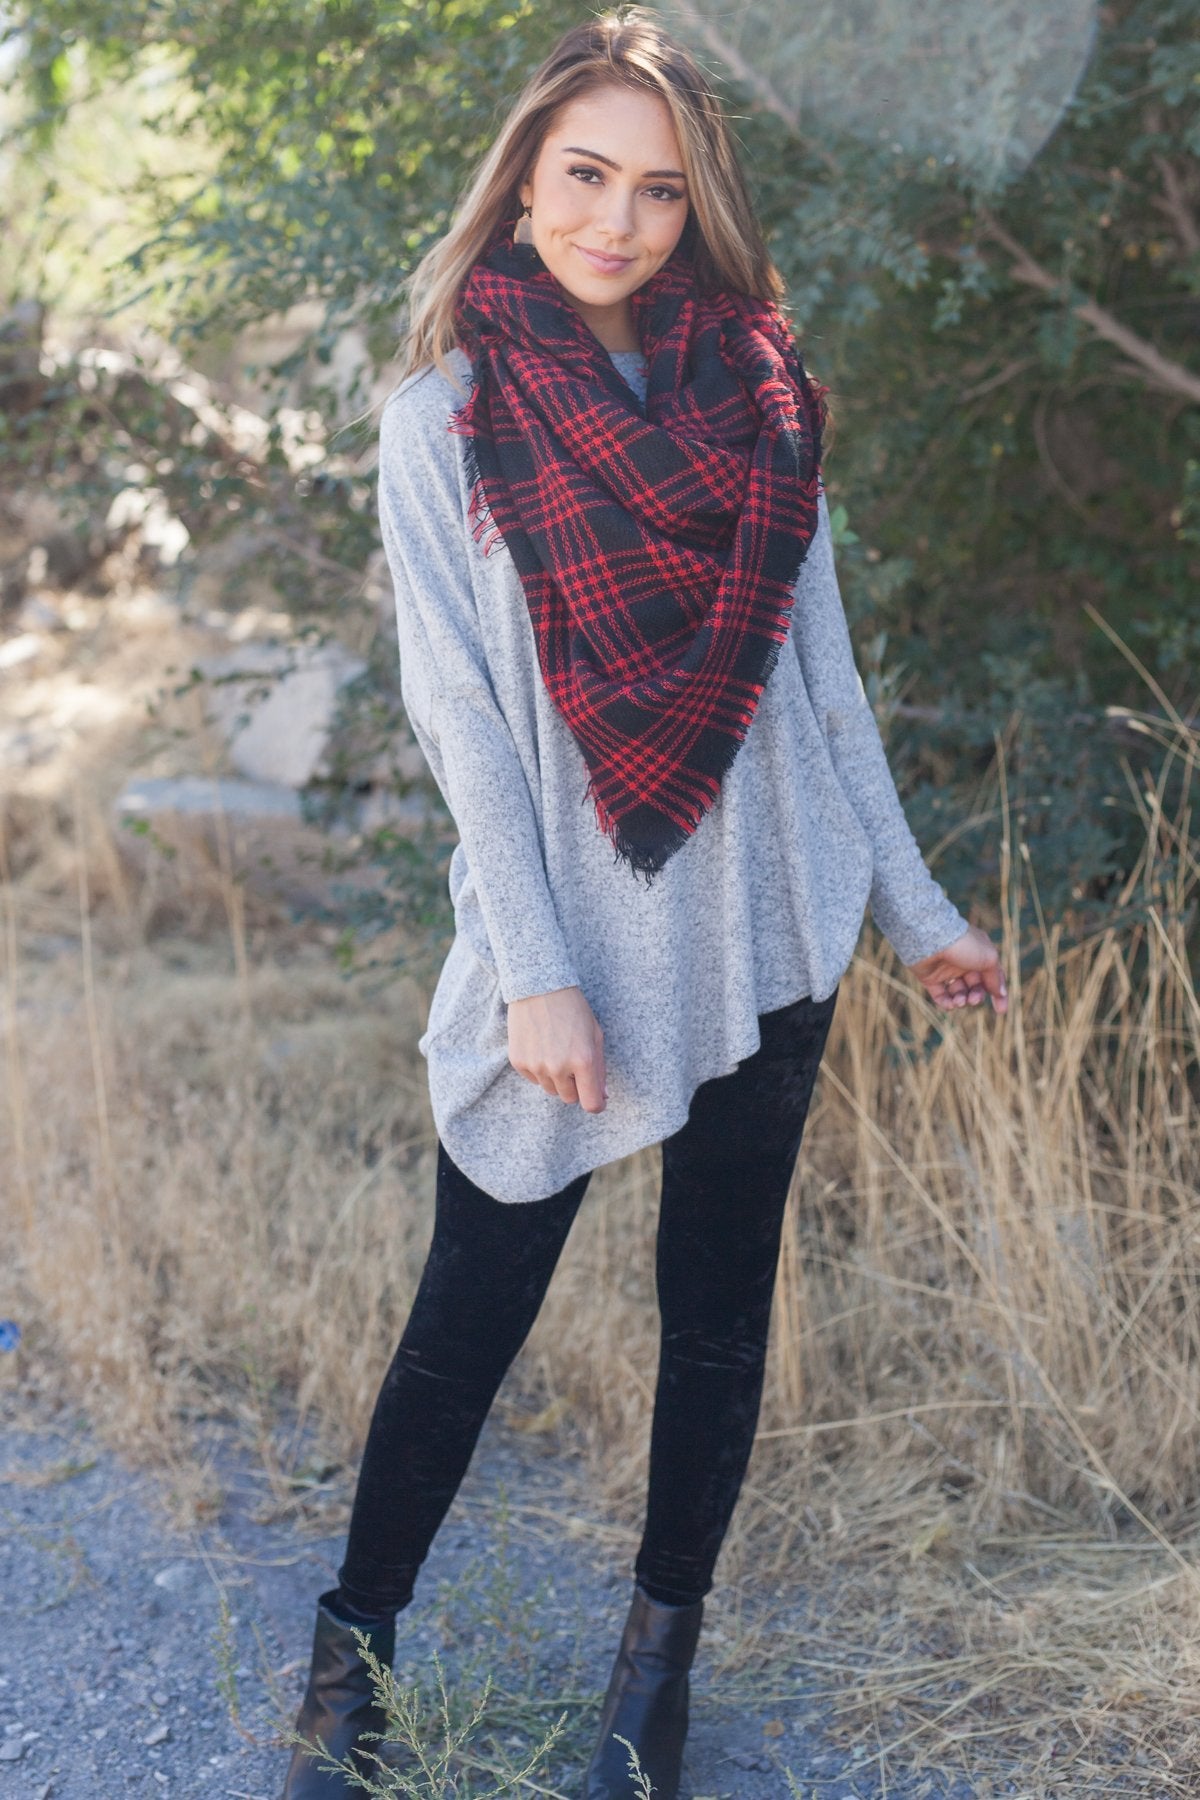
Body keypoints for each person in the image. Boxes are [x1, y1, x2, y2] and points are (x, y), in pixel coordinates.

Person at [280, 8, 1008, 1797]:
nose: (618, 221)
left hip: (766, 920)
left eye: (660, 193)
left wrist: (916, 912)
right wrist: (534, 969)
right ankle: (347, 1663)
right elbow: (458, 713)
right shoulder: (441, 418)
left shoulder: (769, 399)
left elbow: (826, 690)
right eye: (587, 175)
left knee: (719, 1308)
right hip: (572, 944)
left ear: (698, 212)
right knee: (469, 1313)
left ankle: (652, 1680)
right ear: (525, 179)